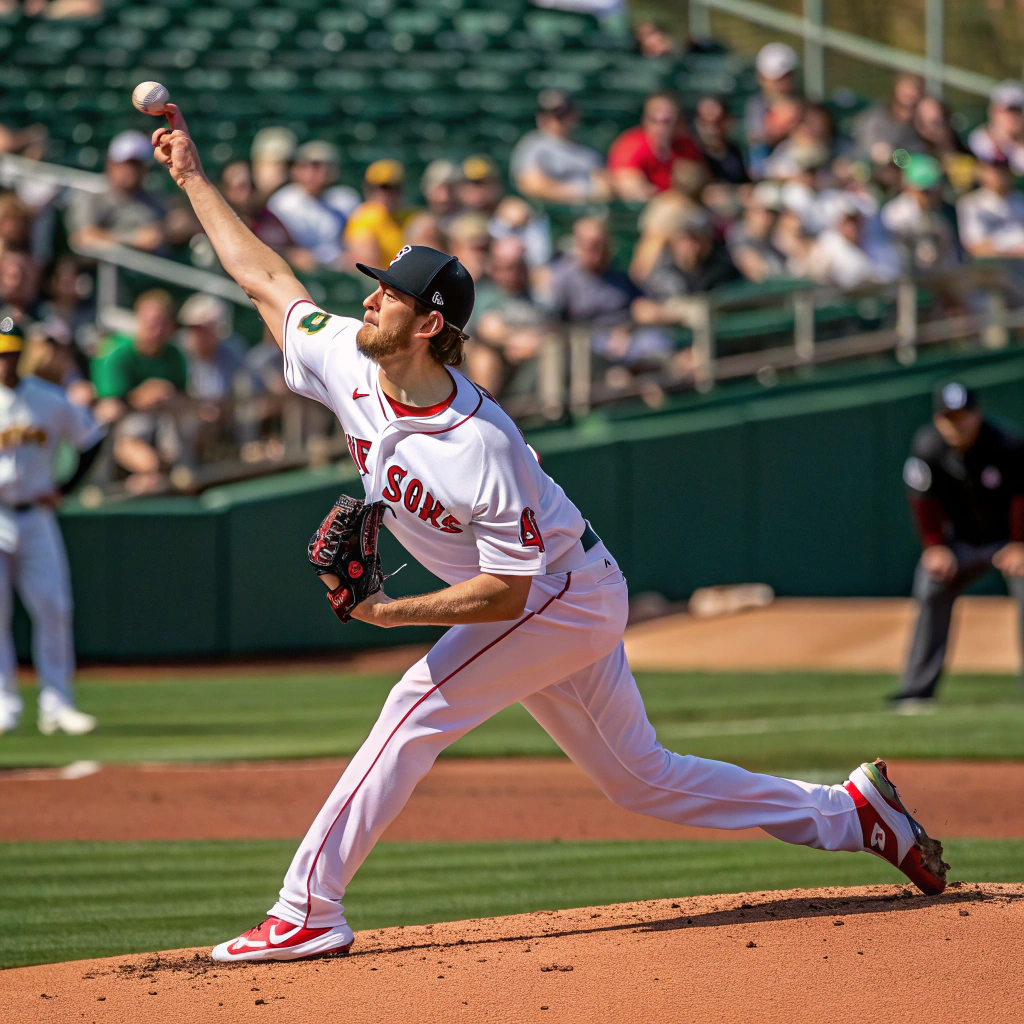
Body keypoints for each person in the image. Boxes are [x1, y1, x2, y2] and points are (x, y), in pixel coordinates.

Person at [149, 102, 950, 964]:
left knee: (413, 707)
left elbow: (509, 594)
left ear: (429, 327)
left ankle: (308, 907)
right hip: (562, 590)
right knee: (639, 778)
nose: (370, 295)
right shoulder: (348, 354)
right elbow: (266, 281)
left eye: (391, 293)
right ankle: (850, 812)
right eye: (375, 283)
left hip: (557, 596)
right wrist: (191, 175)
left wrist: (390, 614)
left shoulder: (479, 444)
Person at [0, 318, 105, 737]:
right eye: (1, 355)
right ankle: (5, 700)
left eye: (11, 355)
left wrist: (66, 488)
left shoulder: (48, 399)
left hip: (36, 514)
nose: (6, 363)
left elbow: (92, 438)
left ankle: (57, 703)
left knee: (54, 607)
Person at [895, 383, 1024, 711]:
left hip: (1007, 541)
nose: (957, 424)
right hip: (961, 544)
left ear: (977, 415)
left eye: (963, 416)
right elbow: (922, 501)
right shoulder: (928, 447)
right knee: (931, 582)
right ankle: (916, 690)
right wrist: (934, 546)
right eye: (949, 418)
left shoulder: (1007, 445)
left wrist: (1019, 543)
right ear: (938, 420)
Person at [90, 289, 189, 492]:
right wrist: (141, 397)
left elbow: (185, 397)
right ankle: (104, 483)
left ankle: (182, 472)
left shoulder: (174, 354)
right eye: (149, 321)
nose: (154, 328)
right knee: (118, 422)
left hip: (163, 423)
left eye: (160, 322)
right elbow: (109, 406)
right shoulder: (118, 354)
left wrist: (167, 396)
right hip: (124, 429)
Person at [65, 131, 167, 254]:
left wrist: (170, 230)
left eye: (137, 165)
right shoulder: (93, 194)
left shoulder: (153, 198)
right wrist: (134, 239)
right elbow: (82, 238)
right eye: (126, 164)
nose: (131, 171)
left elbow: (175, 226)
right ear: (111, 164)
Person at [265, 141, 359, 270]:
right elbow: (277, 247)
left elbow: (355, 243)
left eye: (317, 166)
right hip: (299, 273)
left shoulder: (345, 199)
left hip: (341, 269)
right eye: (304, 166)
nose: (311, 172)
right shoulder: (282, 202)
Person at [510, 90, 611, 204]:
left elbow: (605, 186)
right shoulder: (534, 145)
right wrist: (581, 193)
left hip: (591, 210)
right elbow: (532, 186)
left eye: (560, 114)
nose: (552, 119)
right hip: (552, 213)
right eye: (545, 113)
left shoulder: (589, 147)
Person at [606, 92, 703, 202]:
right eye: (654, 120)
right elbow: (631, 188)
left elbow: (698, 184)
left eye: (667, 122)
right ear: (644, 119)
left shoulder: (685, 145)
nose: (660, 128)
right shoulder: (631, 145)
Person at [880, 154, 962, 274]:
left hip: (935, 280)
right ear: (908, 187)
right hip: (905, 277)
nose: (930, 196)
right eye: (924, 191)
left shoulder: (940, 215)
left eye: (933, 190)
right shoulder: (895, 213)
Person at [744, 42, 803, 178]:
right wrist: (787, 129)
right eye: (776, 79)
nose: (781, 83)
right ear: (762, 78)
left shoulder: (805, 104)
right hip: (769, 171)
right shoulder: (756, 106)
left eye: (786, 77)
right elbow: (757, 139)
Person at [343, 159, 412, 269]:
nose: (387, 194)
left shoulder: (411, 215)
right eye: (382, 187)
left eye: (393, 188)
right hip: (382, 282)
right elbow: (366, 265)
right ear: (369, 189)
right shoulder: (363, 218)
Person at [956, 154, 1024, 258]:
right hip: (991, 267)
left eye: (1003, 170)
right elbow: (975, 246)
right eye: (994, 170)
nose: (1000, 175)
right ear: (982, 173)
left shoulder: (1020, 199)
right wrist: (1014, 253)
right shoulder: (971, 203)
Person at [852, 73, 925, 166]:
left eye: (916, 88)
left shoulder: (922, 122)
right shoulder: (878, 117)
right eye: (907, 87)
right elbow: (877, 152)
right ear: (896, 88)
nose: (911, 92)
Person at [967, 80, 1024, 177]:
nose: (1013, 117)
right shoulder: (976, 141)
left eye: (1018, 111)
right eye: (1009, 110)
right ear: (993, 111)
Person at [692, 96, 748, 185]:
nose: (712, 129)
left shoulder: (735, 151)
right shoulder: (691, 154)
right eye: (705, 121)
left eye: (718, 121)